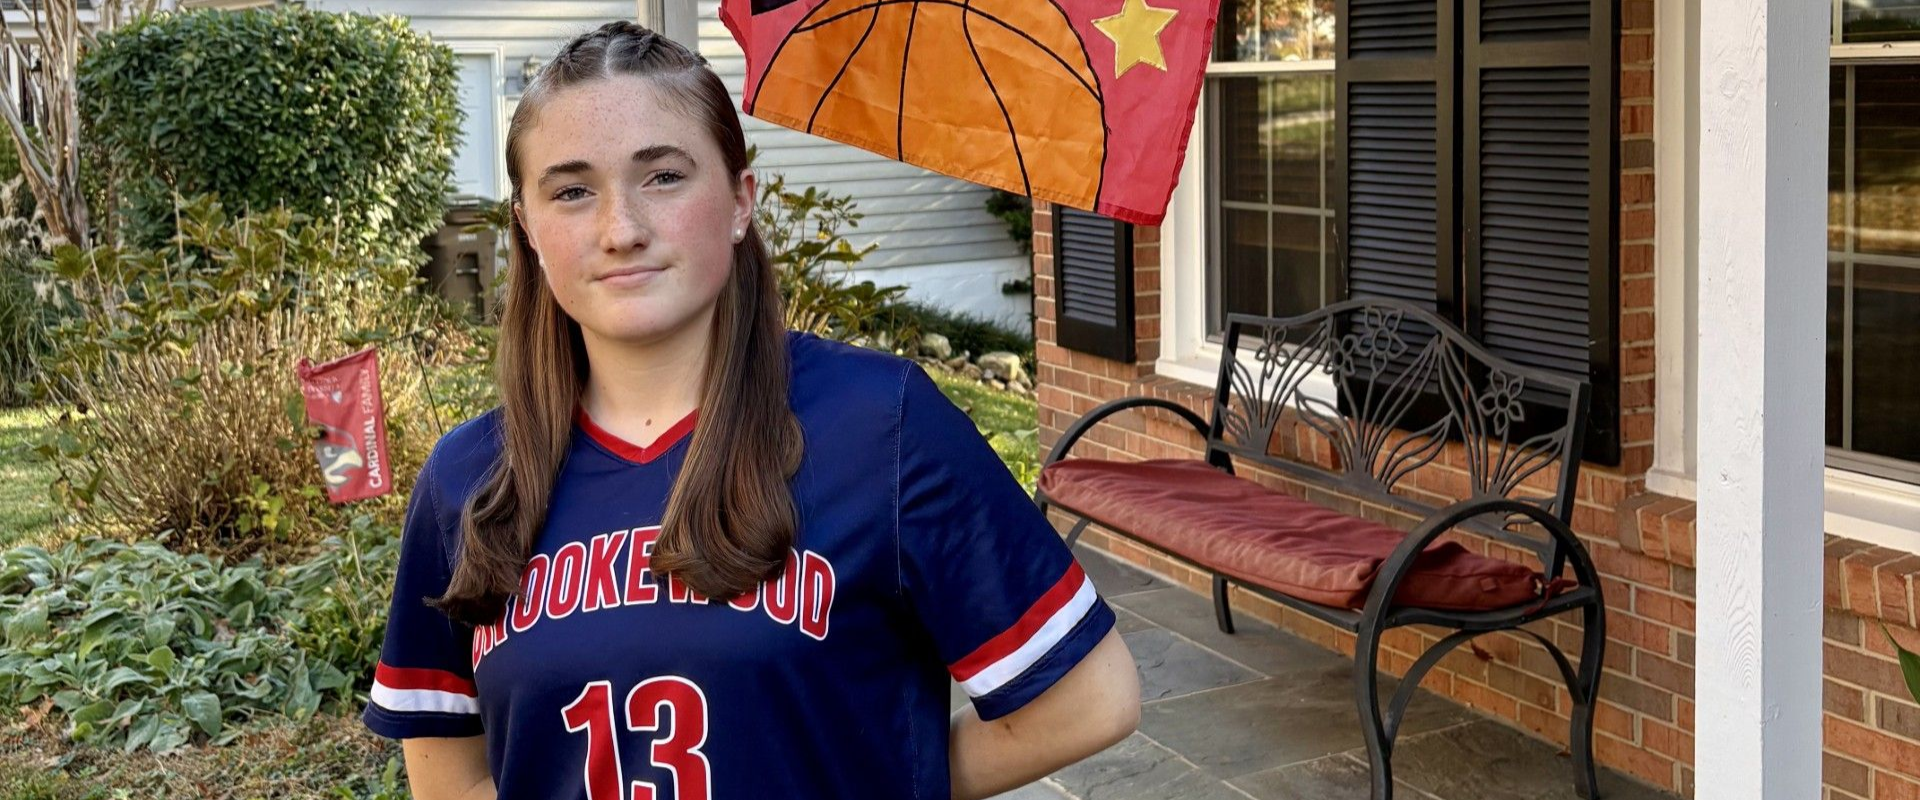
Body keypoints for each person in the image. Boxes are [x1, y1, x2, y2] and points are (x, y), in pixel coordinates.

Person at [361, 21, 1140, 800]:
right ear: (528, 230)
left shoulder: (882, 428)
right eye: (571, 191)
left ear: (739, 202)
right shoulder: (468, 479)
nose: (621, 230)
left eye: (663, 176)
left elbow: (1088, 699)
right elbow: (450, 777)